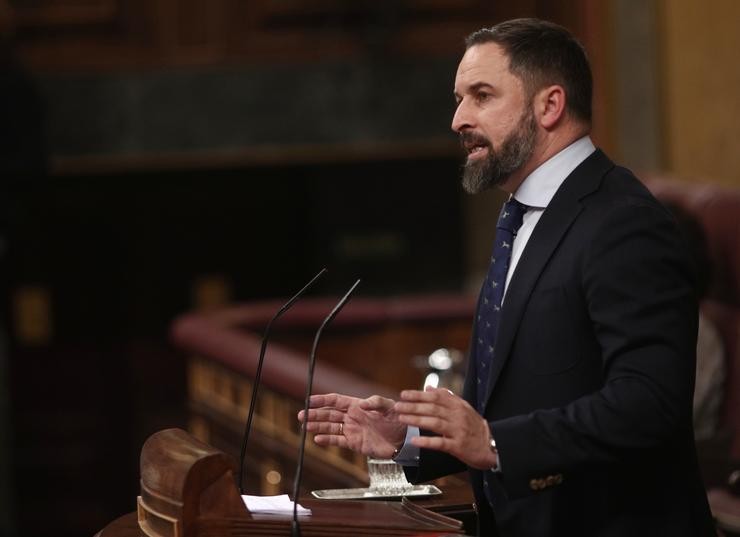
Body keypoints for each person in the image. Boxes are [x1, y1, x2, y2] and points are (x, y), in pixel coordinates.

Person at [299, 18, 715, 536]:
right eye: (458, 98)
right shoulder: (519, 216)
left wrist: (495, 444)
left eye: (481, 95)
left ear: (549, 105)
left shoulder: (623, 221)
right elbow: (507, 407)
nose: (457, 119)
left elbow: (650, 403)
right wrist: (408, 439)